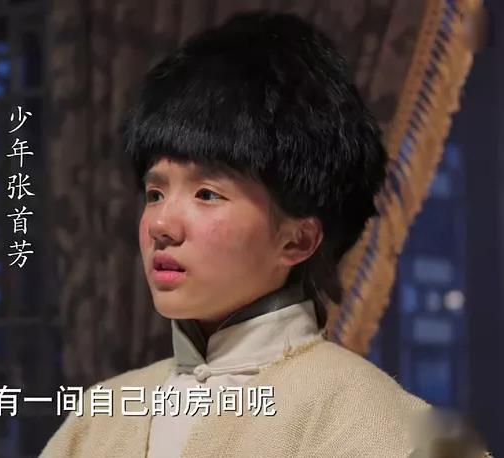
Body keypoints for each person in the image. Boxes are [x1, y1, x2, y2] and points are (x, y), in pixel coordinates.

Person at [40, 11, 486, 457]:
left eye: (207, 194)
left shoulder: (379, 426)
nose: (160, 225)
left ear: (297, 239)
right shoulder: (99, 416)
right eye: (155, 193)